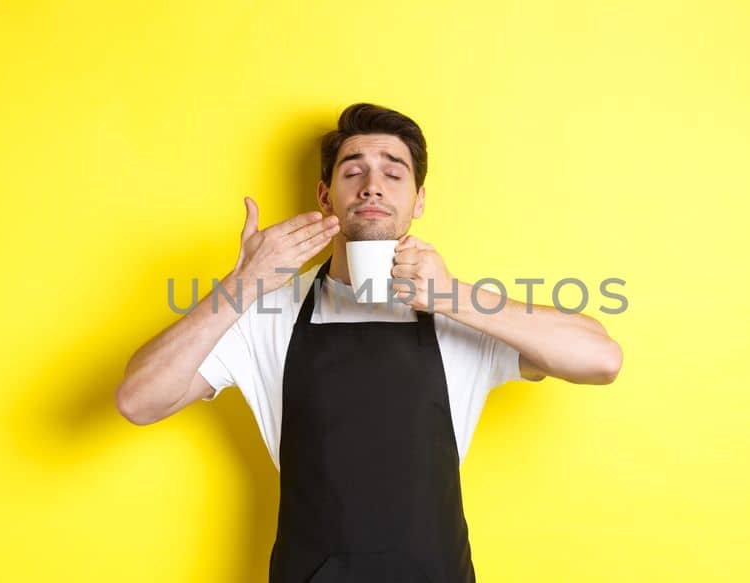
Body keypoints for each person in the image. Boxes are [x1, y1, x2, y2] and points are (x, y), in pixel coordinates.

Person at [116, 103, 623, 582]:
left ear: (419, 199)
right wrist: (242, 284)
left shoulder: (466, 315)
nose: (373, 187)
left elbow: (601, 359)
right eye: (353, 171)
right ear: (324, 197)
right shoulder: (264, 316)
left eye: (395, 173)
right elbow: (138, 400)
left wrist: (449, 296)